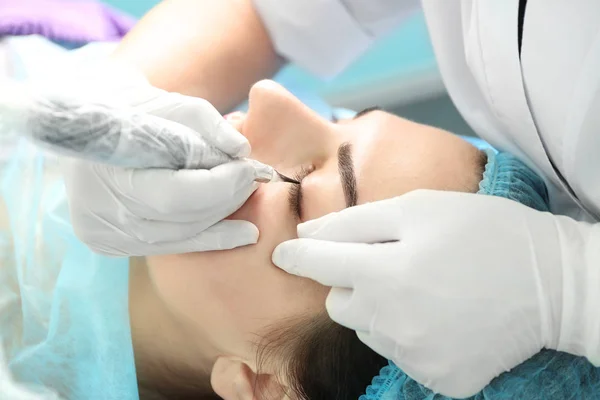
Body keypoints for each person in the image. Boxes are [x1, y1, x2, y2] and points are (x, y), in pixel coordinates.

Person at [21, 0, 600, 397]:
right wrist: (101, 104)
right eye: (340, 118)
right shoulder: (51, 41)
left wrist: (571, 289)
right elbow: (271, 12)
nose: (268, 98)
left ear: (271, 385)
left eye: (296, 188)